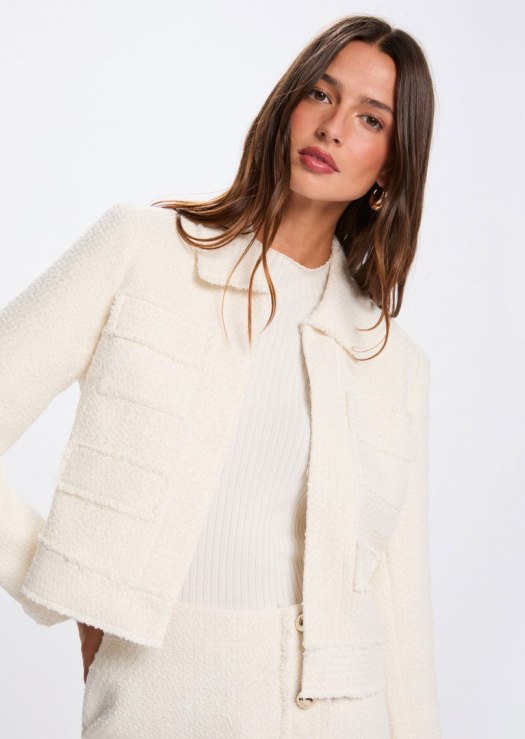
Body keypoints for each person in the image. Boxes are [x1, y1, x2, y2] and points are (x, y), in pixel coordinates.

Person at [0, 13, 441, 739]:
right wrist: (73, 581)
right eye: (321, 94)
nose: (332, 128)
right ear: (288, 105)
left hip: (341, 713)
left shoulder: (391, 359)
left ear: (390, 166)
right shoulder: (142, 253)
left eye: (370, 118)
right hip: (159, 697)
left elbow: (400, 601)